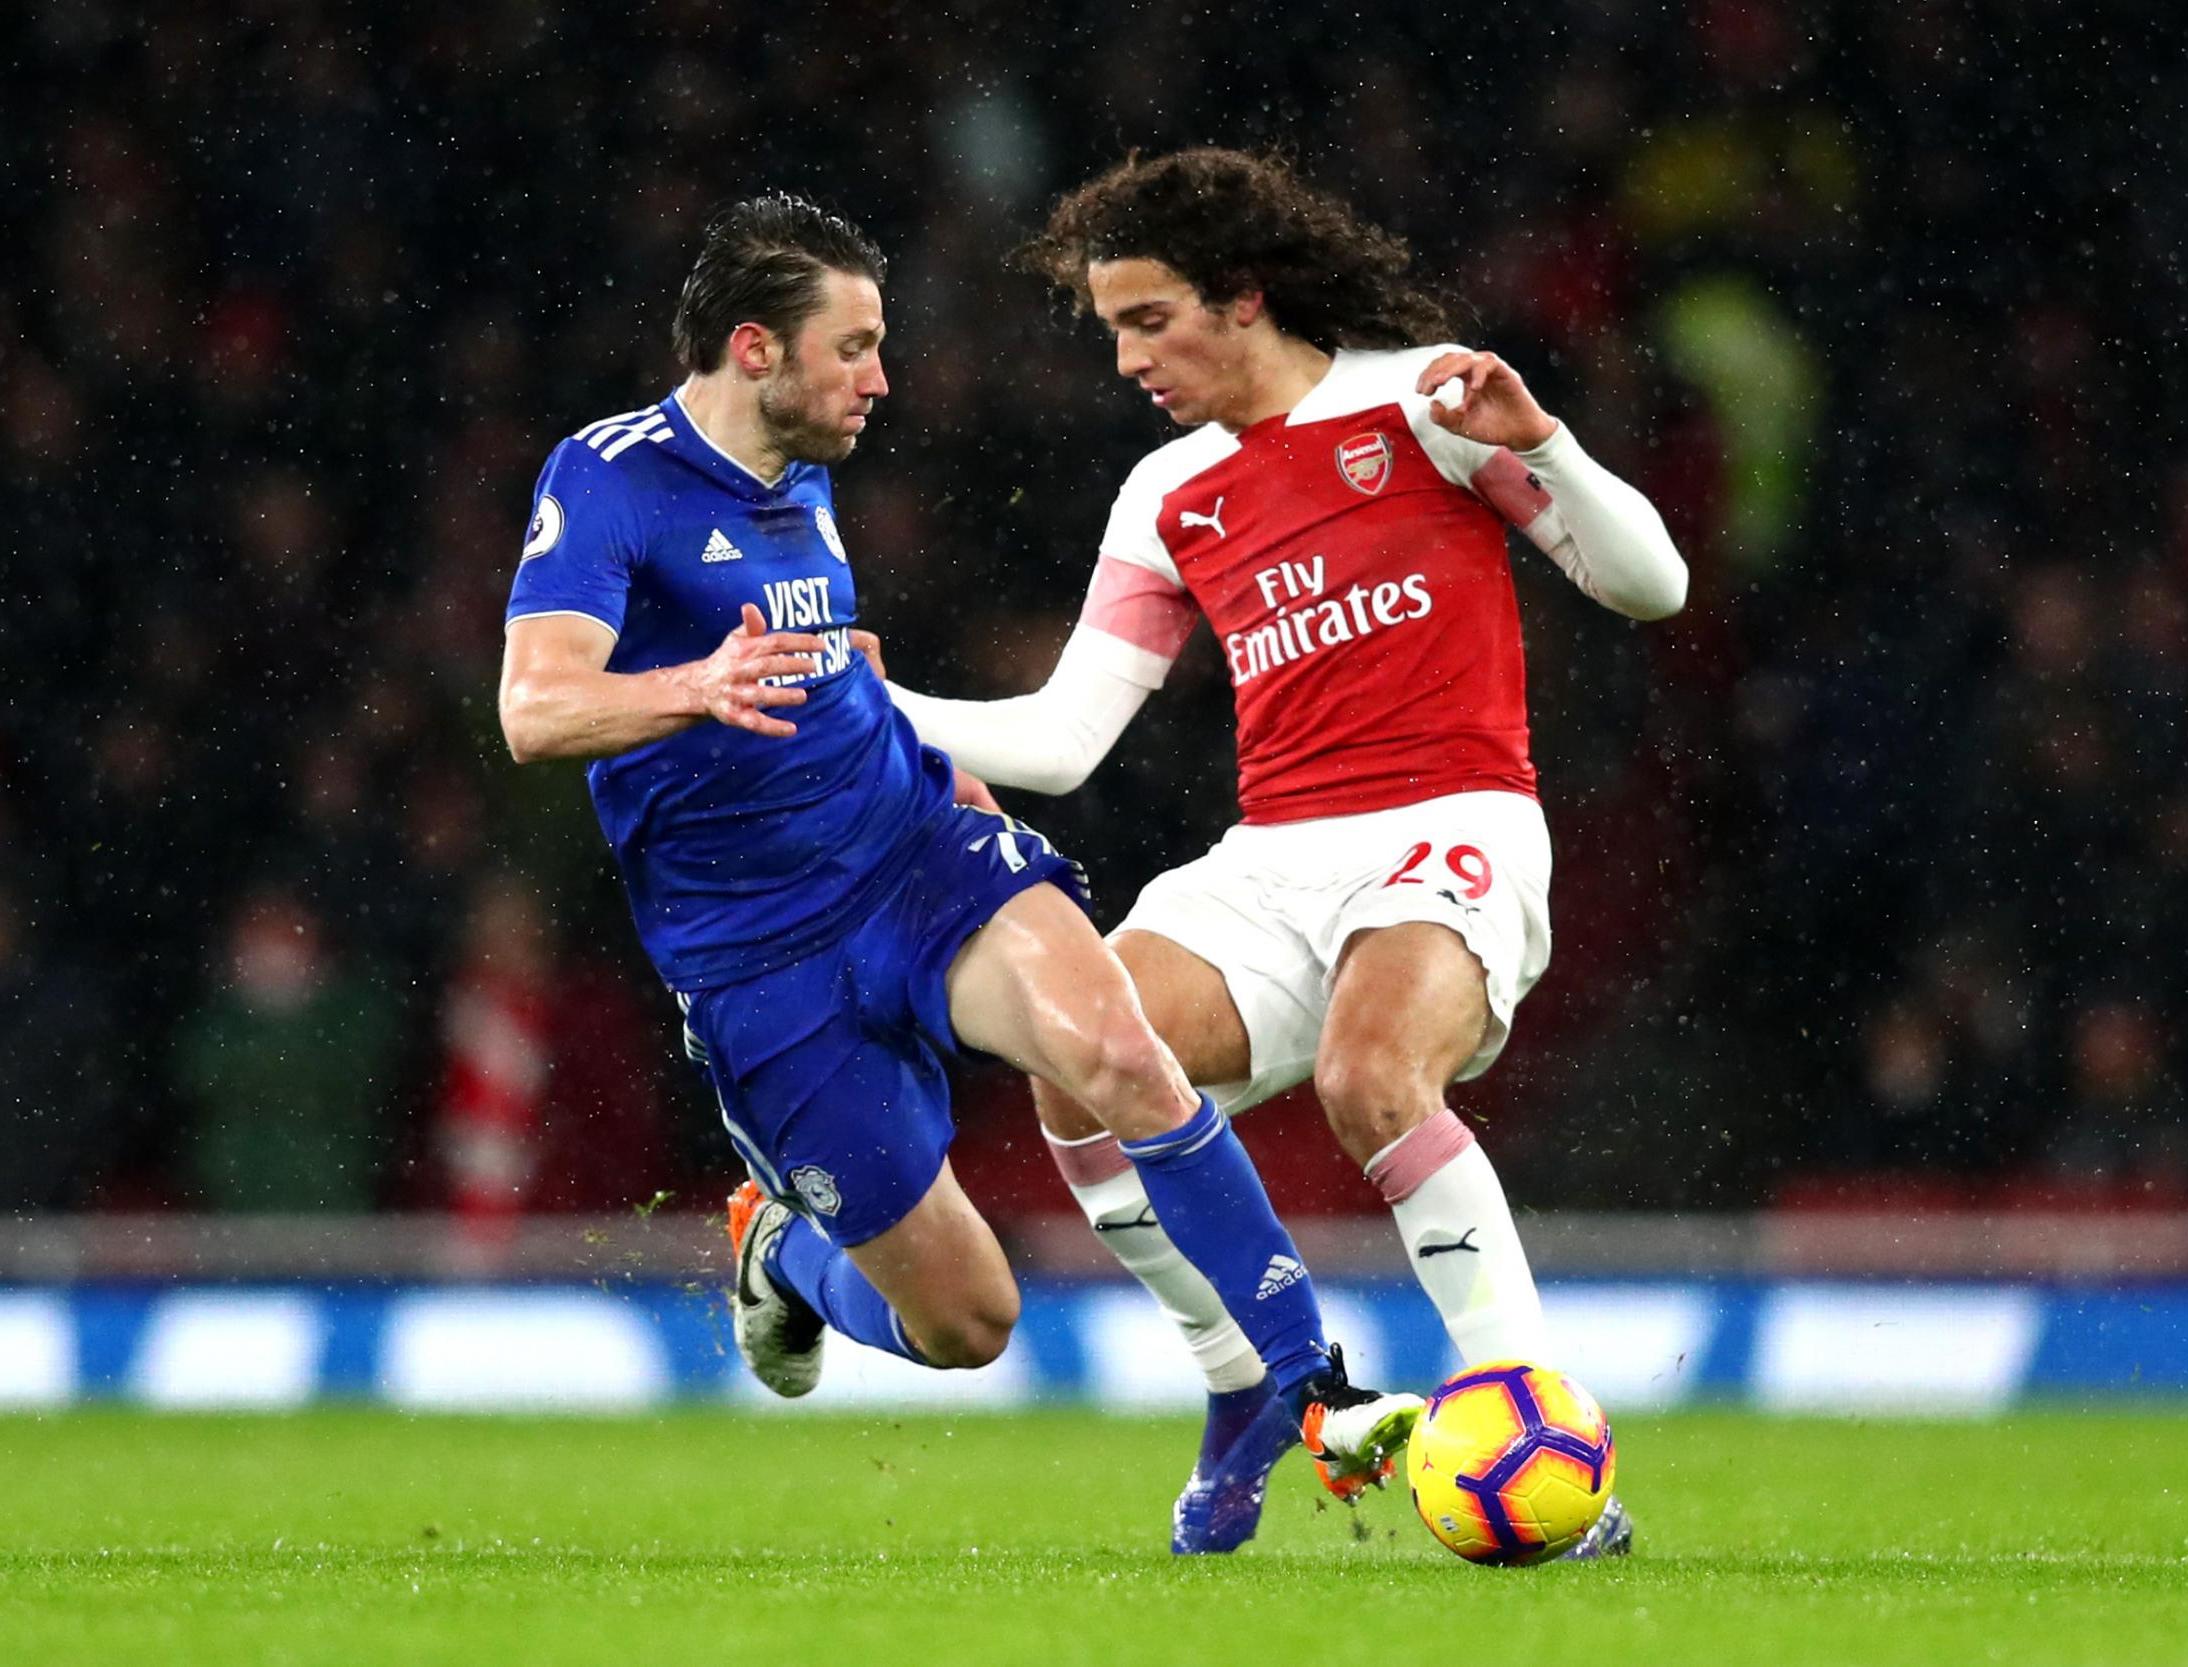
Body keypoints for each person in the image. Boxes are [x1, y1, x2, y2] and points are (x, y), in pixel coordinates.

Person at [496, 193, 1421, 1522]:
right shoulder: (606, 478)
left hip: (908, 851)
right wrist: (689, 687)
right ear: (755, 350)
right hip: (756, 954)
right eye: (853, 347)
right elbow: (536, 709)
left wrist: (899, 739)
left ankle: (1309, 1384)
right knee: (966, 1322)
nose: (880, 379)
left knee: (1114, 1052)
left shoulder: (802, 475)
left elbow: (812, 669)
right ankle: (785, 1258)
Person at [879, 149, 1687, 1555]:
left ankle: (1534, 1429)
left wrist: (1543, 443)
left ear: (1241, 300)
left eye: (1147, 321)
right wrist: (862, 701)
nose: (1128, 358)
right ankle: (1242, 1379)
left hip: (1447, 824)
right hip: (1273, 860)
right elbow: (1067, 739)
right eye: (1111, 329)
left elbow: (1651, 587)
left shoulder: (1427, 398)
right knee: (1075, 1054)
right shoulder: (1168, 493)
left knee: (1374, 1076)